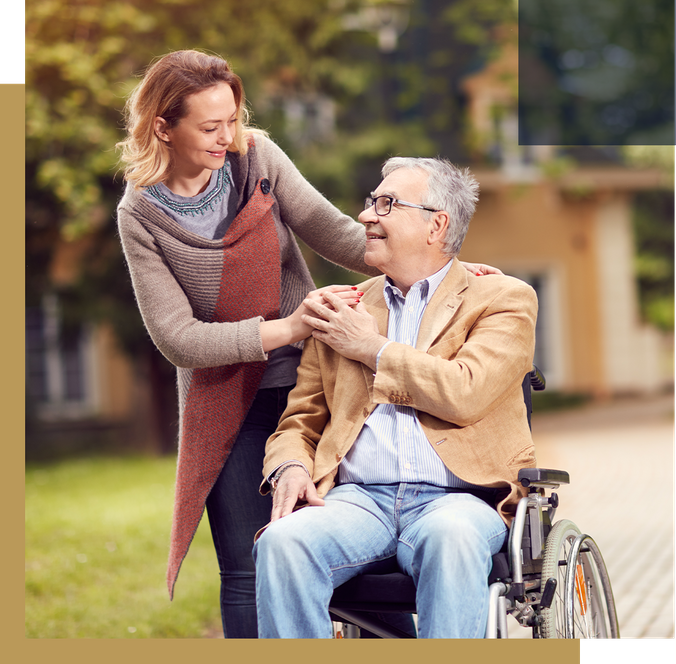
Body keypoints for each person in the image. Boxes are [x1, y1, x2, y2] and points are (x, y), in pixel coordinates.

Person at [115, 50, 499, 638]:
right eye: (210, 127)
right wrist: (291, 327)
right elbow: (178, 339)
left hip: (316, 373)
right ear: (163, 128)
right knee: (247, 564)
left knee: (370, 529)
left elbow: (337, 233)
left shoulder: (256, 159)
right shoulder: (140, 214)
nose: (228, 137)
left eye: (233, 119)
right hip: (227, 397)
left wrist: (449, 268)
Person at [253, 156, 539, 639]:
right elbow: (299, 422)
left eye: (386, 204)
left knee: (450, 539)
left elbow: (465, 391)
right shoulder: (341, 306)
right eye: (370, 202)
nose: (366, 215)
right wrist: (291, 466)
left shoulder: (503, 299)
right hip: (356, 501)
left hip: (457, 500)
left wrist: (372, 348)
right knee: (283, 541)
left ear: (436, 225)